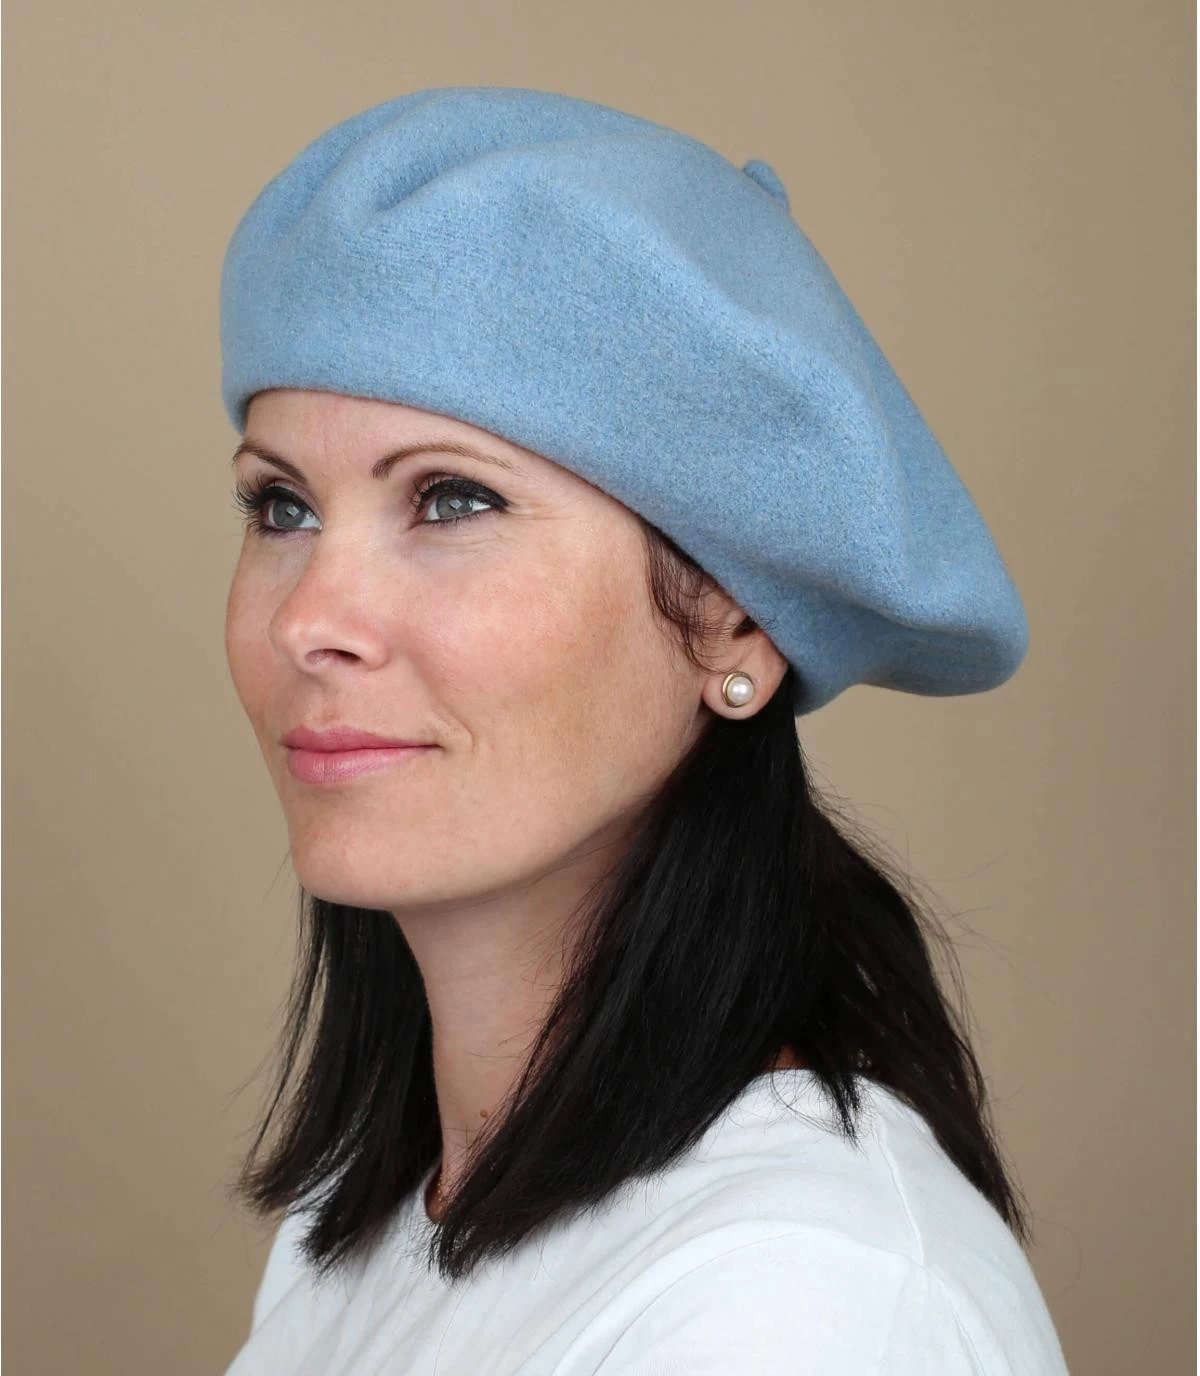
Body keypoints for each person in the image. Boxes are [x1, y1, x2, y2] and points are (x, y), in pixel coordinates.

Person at [218, 87, 1070, 1374]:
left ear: (735, 619)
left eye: (451, 498)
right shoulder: (371, 1213)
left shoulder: (802, 1305)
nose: (309, 621)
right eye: (281, 506)